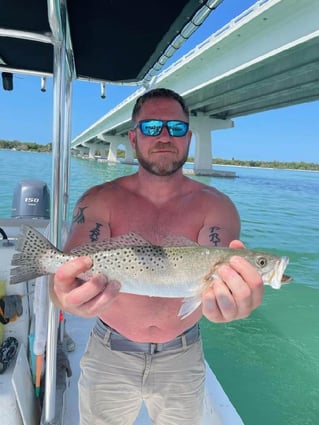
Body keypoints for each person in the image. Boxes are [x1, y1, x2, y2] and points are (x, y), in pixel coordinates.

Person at [52, 88, 264, 425]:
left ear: (189, 138)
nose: (164, 136)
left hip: (183, 355)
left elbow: (213, 278)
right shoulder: (99, 199)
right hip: (109, 350)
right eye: (152, 127)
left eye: (175, 128)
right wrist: (62, 294)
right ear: (133, 137)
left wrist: (228, 302)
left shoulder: (217, 206)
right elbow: (69, 270)